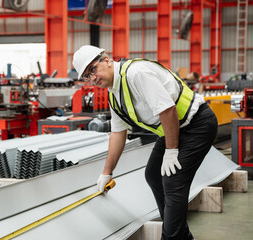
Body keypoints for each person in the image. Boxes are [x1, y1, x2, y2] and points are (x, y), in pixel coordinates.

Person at [72, 45, 218, 240]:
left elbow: (167, 110)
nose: (93, 78)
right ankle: (180, 236)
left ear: (107, 60)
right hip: (173, 129)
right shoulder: (114, 94)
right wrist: (107, 173)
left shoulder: (136, 74)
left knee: (173, 180)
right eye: (87, 77)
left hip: (197, 124)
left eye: (92, 69)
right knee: (153, 175)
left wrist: (171, 150)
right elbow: (118, 133)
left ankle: (171, 237)